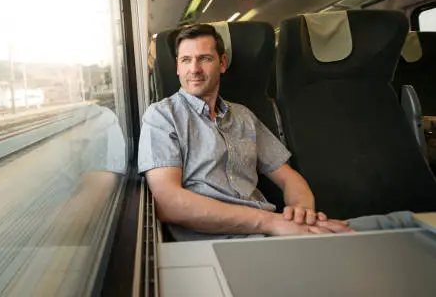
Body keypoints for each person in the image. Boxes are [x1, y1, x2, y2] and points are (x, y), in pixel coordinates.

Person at [138, 24, 416, 242]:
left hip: (275, 230)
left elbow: (290, 178)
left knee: (403, 224)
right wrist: (272, 223)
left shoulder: (243, 116)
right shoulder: (162, 116)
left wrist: (302, 211)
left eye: (204, 58)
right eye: (186, 60)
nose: (194, 69)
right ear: (176, 67)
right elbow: (168, 202)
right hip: (227, 240)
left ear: (222, 63)